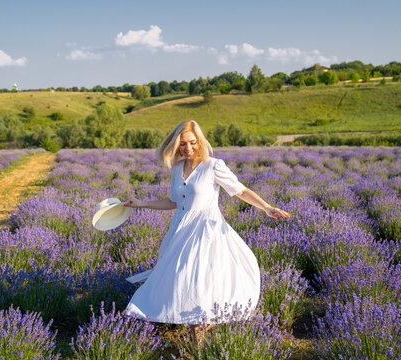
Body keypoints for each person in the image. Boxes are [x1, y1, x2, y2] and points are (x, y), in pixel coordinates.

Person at [123, 120, 290, 342]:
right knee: (180, 284)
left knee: (197, 285)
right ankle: (200, 335)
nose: (188, 148)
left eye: (193, 142)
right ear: (175, 145)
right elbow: (174, 202)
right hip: (180, 232)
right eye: (182, 144)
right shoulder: (176, 169)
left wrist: (267, 207)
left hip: (205, 232)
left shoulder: (213, 166)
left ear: (200, 142)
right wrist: (140, 204)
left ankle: (199, 345)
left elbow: (240, 191)